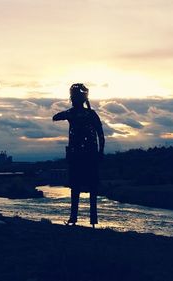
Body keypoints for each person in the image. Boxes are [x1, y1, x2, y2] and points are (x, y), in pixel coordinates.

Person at [53, 83, 105, 228]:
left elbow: (56, 117)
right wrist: (100, 152)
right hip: (88, 155)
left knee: (76, 187)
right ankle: (91, 220)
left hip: (79, 155)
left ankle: (74, 218)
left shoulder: (73, 113)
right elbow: (101, 136)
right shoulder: (90, 114)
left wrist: (100, 152)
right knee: (90, 187)